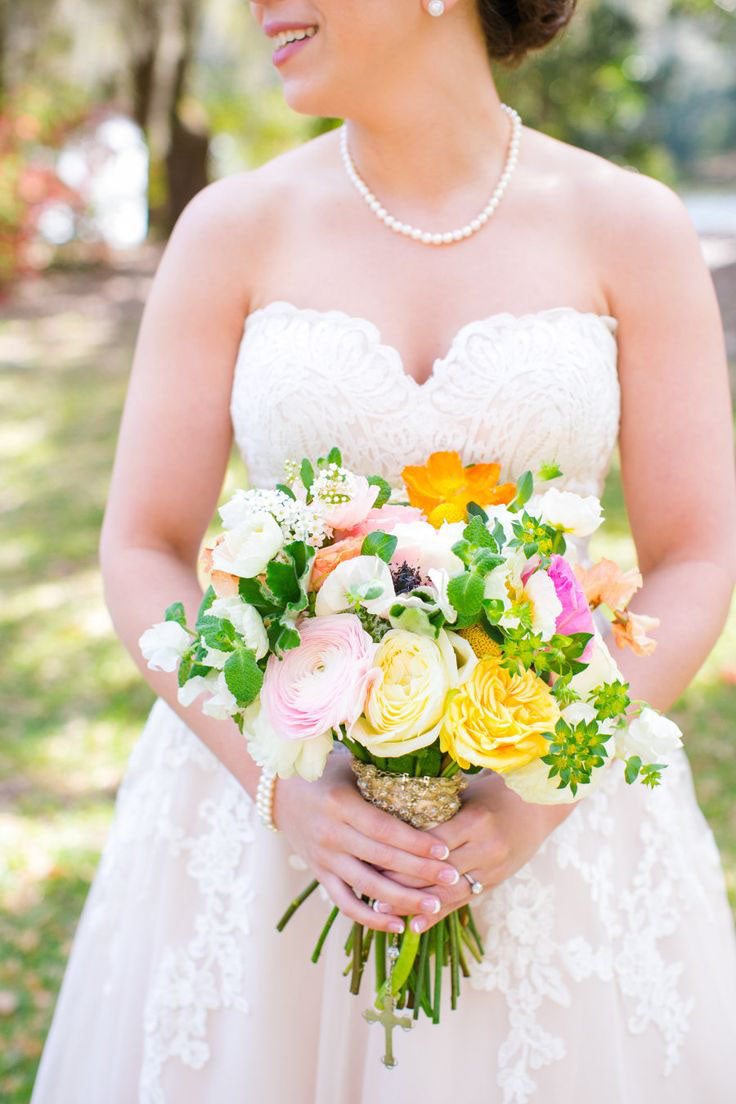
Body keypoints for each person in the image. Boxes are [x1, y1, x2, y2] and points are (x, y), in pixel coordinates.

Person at [31, 1, 736, 1101]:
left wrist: (536, 798)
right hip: (261, 824)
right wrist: (282, 793)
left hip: (559, 830)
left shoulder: (628, 227)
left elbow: (695, 557)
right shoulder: (233, 228)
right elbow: (143, 546)